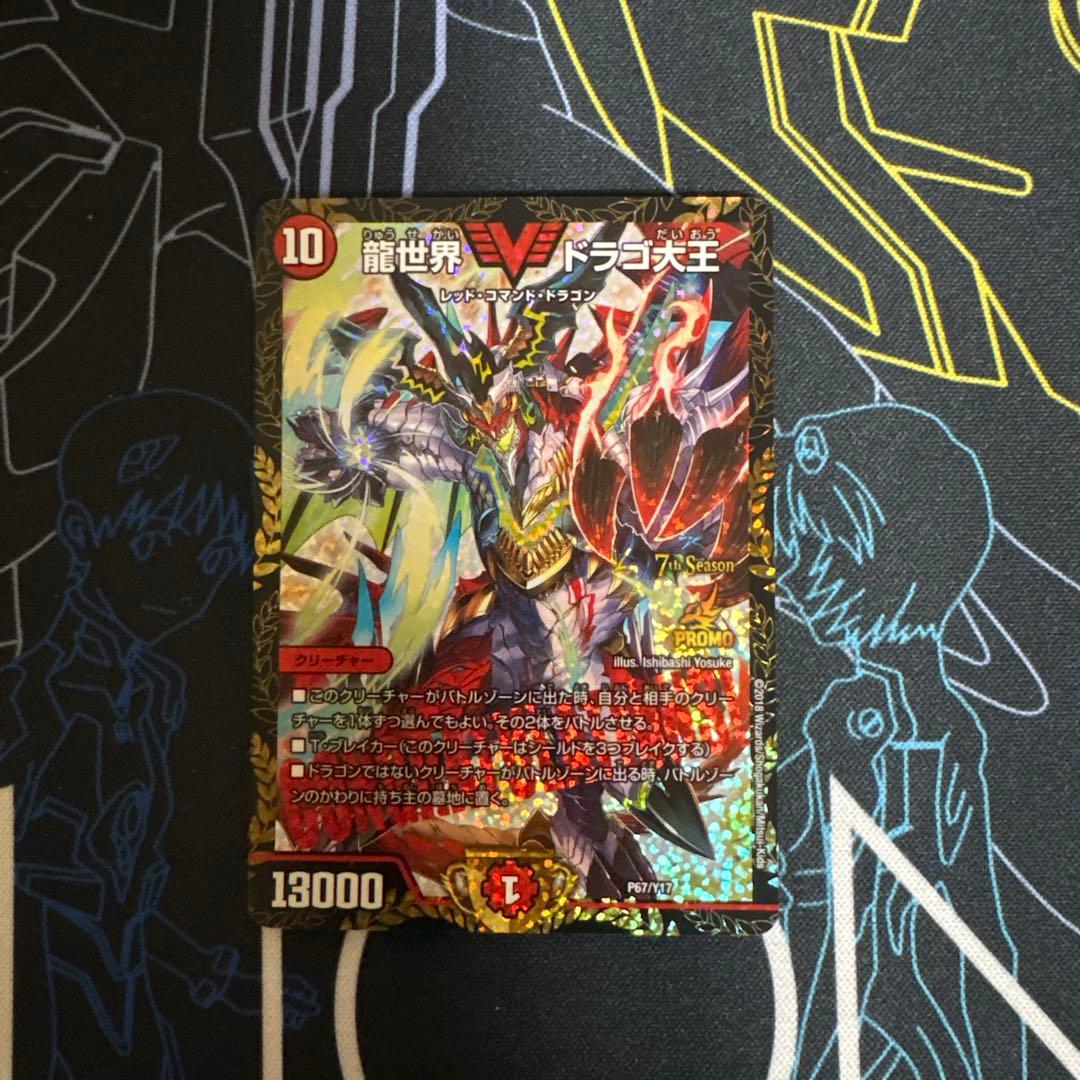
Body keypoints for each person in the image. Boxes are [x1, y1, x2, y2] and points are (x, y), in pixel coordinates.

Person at [0, 391, 317, 1078]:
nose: (187, 583)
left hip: (127, 1013)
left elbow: (118, 897)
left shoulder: (154, 691)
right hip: (43, 1012)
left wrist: (215, 976)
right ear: (81, 531)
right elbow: (56, 885)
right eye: (155, 543)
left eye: (215, 554)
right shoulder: (33, 701)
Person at [776, 403, 1023, 1078]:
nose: (793, 576)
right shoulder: (924, 719)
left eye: (815, 551)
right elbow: (985, 941)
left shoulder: (886, 720)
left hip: (873, 1010)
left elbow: (965, 935)